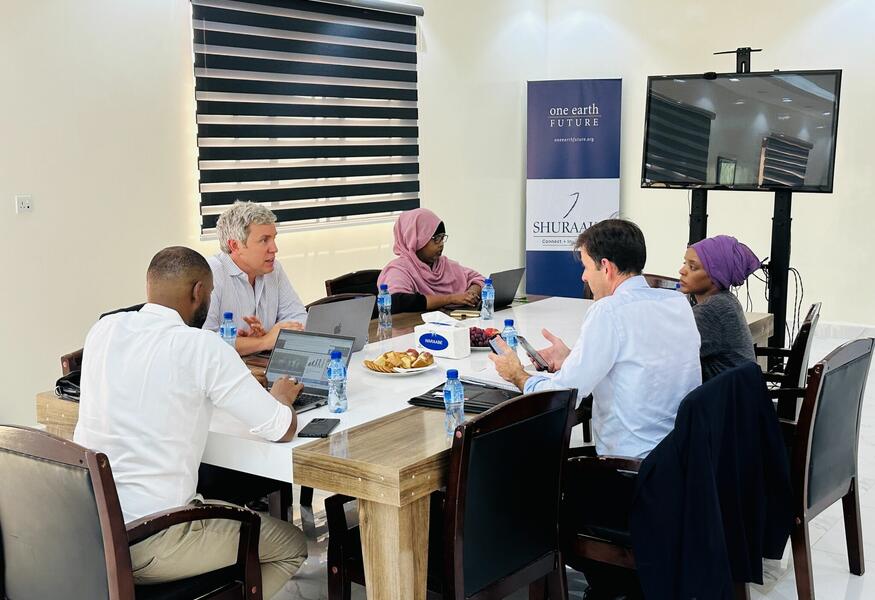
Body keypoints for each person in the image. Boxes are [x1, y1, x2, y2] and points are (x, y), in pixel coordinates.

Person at [74, 247, 308, 598]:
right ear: (198, 291)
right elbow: (280, 428)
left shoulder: (103, 330)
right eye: (211, 295)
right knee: (291, 545)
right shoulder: (202, 346)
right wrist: (281, 396)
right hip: (156, 539)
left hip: (93, 531)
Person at [489, 219, 702, 600]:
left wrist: (518, 374)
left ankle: (595, 580)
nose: (585, 278)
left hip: (629, 476)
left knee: (530, 483)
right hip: (678, 465)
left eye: (586, 267)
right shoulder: (675, 302)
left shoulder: (609, 313)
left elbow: (559, 398)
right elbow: (639, 361)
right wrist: (573, 359)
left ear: (606, 267)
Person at [204, 201, 308, 355]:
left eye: (274, 238)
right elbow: (205, 342)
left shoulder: (274, 269)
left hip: (260, 364)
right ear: (235, 246)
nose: (274, 248)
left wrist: (264, 337)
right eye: (264, 240)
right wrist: (263, 342)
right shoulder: (211, 273)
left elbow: (299, 319)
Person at [679, 235, 760, 381]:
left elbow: (668, 351)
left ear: (715, 274)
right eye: (684, 263)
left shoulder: (711, 310)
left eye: (692, 267)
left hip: (727, 401)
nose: (682, 271)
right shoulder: (726, 300)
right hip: (740, 397)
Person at [378, 207, 484, 312]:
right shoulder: (399, 269)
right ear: (415, 240)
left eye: (442, 238)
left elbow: (479, 280)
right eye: (436, 239)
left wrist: (471, 294)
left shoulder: (444, 265)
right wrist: (450, 298)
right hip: (415, 326)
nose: (441, 244)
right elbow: (398, 301)